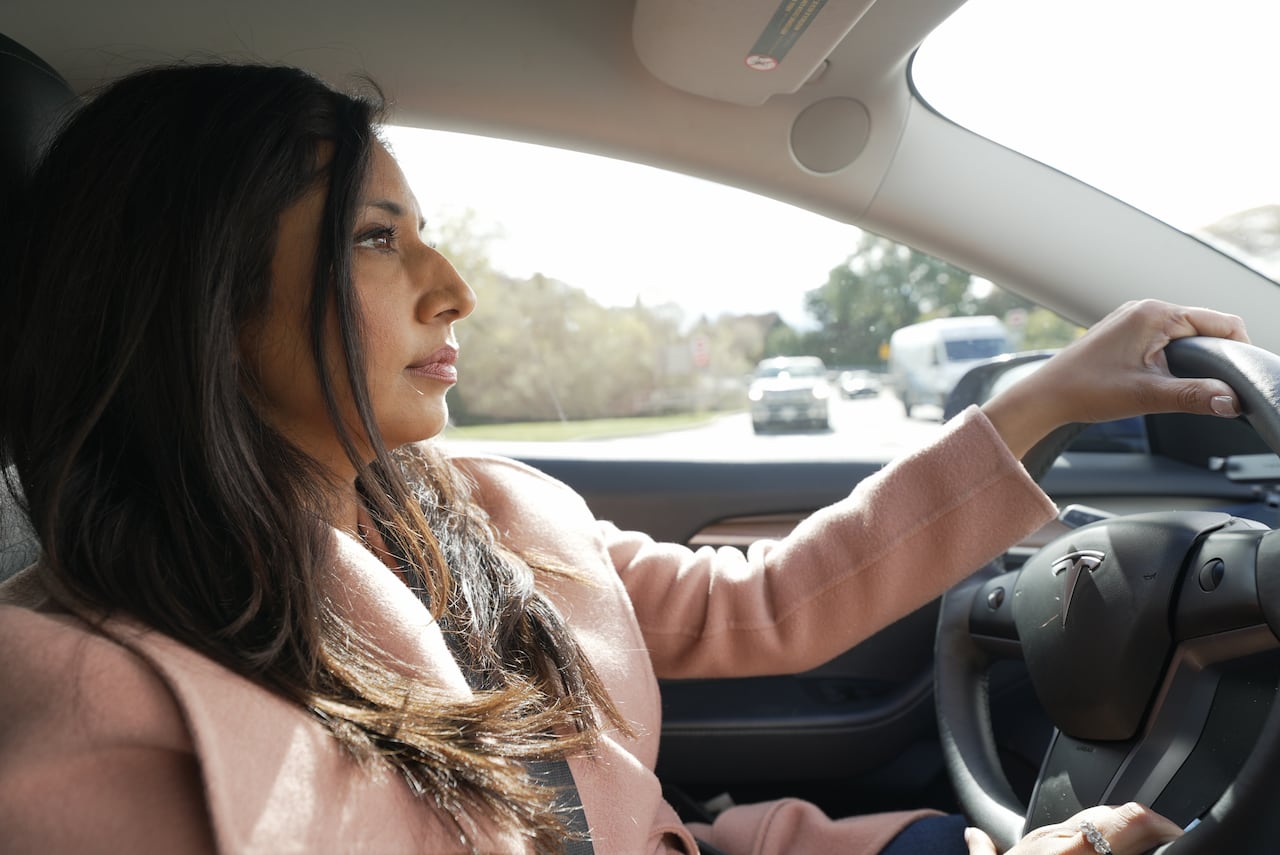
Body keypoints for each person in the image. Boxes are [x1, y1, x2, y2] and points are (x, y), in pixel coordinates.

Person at [0, 63, 1244, 855]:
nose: (454, 291)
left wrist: (1035, 406)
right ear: (197, 293)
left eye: (423, 235)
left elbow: (762, 607)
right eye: (379, 241)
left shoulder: (484, 506)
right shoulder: (89, 694)